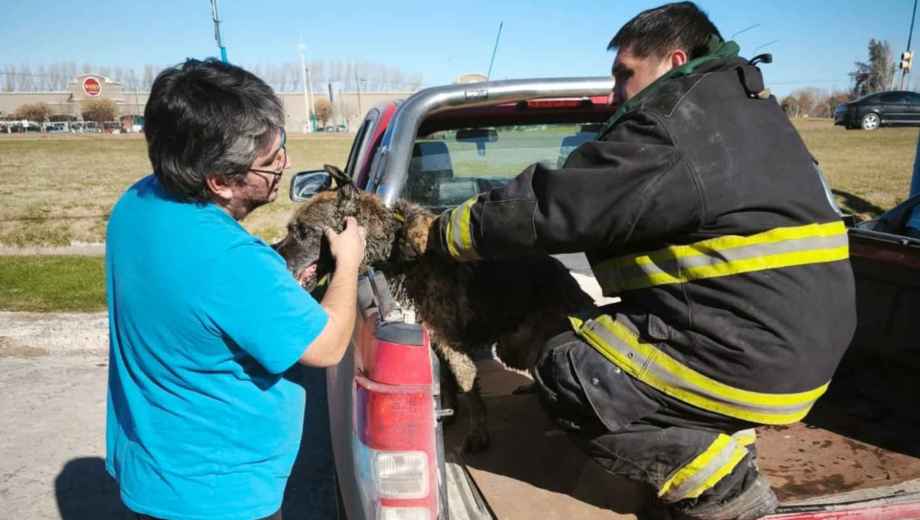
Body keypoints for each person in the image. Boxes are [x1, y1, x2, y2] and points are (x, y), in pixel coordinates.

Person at [425, 3, 856, 519]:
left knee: (573, 370)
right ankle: (723, 438)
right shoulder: (751, 115)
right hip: (800, 351)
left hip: (751, 357)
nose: (615, 95)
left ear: (673, 61)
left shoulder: (675, 128)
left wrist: (443, 232)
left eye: (625, 75)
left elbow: (558, 205)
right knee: (609, 340)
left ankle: (725, 486)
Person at [105, 58, 365, 520]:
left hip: (152, 471)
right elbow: (327, 347)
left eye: (280, 147)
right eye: (269, 163)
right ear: (220, 181)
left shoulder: (137, 203)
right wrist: (348, 264)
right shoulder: (232, 261)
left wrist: (271, 292)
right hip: (221, 496)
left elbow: (193, 302)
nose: (282, 166)